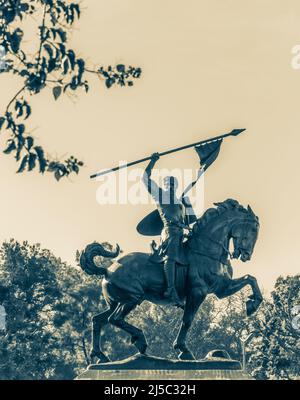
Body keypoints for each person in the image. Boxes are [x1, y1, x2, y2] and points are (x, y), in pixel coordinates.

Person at [143, 153, 196, 307]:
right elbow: (145, 178)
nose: (171, 186)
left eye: (173, 184)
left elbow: (190, 219)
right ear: (164, 185)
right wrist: (152, 161)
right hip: (170, 232)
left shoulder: (180, 201)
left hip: (181, 233)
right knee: (171, 256)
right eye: (168, 183)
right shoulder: (160, 195)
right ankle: (170, 290)